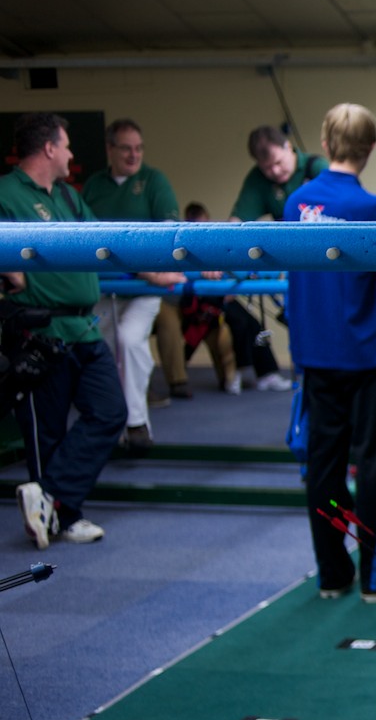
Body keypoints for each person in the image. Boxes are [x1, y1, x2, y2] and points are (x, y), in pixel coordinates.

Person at [284, 103, 376, 602]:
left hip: (314, 356)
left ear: (324, 144)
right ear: (370, 148)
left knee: (324, 466)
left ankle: (332, 575)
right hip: (368, 357)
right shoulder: (371, 209)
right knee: (374, 466)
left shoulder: (296, 204)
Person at [1, 113, 127, 547]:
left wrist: (160, 270)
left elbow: (102, 243)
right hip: (40, 329)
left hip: (84, 328)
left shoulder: (69, 197)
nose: (72, 154)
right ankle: (63, 515)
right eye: (67, 145)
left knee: (110, 411)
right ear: (50, 148)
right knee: (47, 432)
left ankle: (50, 498)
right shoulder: (6, 193)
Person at [82, 118, 187, 452]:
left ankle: (136, 423)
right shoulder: (94, 186)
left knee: (129, 340)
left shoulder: (153, 181)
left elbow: (169, 234)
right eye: (126, 148)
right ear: (110, 150)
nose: (134, 155)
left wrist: (145, 271)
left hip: (146, 288)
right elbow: (85, 237)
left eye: (139, 148)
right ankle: (111, 425)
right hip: (105, 287)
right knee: (103, 349)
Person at [228, 124, 315, 392]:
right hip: (290, 266)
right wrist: (222, 258)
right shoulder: (258, 179)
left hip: (323, 261)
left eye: (278, 162)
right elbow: (236, 223)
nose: (275, 172)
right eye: (267, 168)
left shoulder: (316, 168)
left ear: (289, 147)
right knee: (297, 322)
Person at [179, 203, 239, 390]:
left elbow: (230, 273)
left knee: (229, 335)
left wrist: (227, 290)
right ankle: (177, 381)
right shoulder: (180, 244)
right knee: (183, 344)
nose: (201, 228)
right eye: (196, 224)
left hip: (214, 309)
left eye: (204, 222)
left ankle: (231, 378)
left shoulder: (217, 243)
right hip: (188, 308)